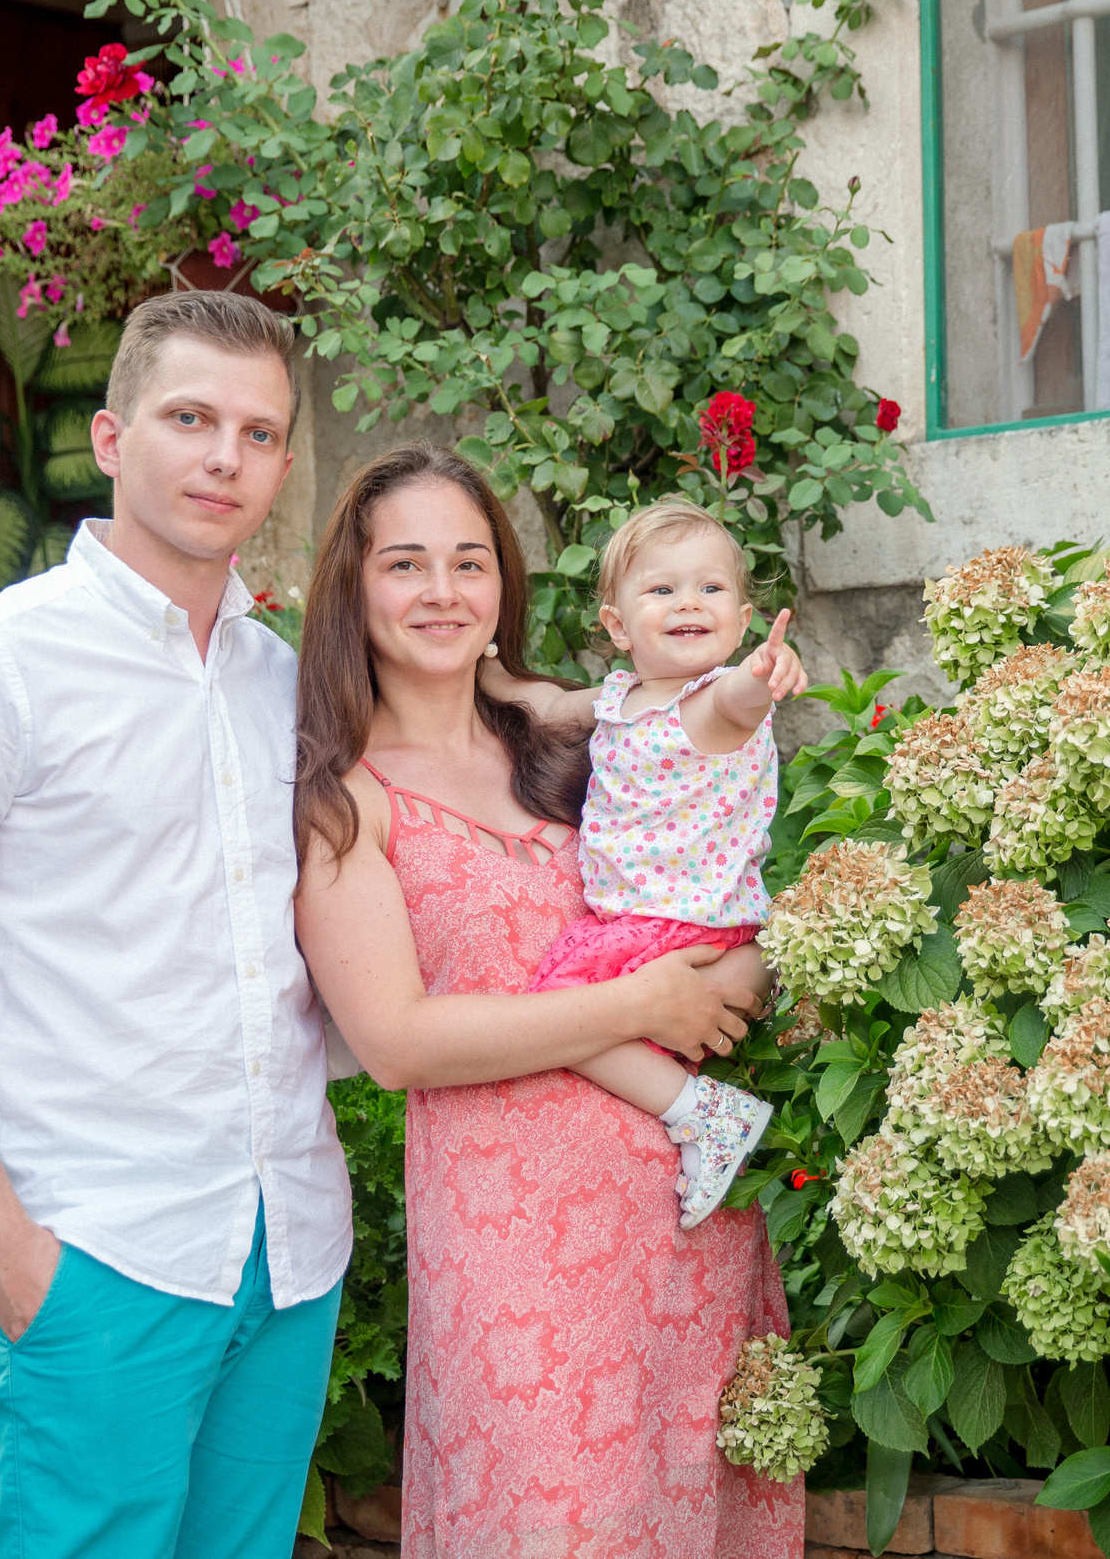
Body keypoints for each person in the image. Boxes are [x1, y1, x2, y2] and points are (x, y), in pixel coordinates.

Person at [0, 291, 349, 1559]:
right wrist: (10, 1254)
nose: (224, 456)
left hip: (287, 1252)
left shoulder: (288, 683)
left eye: (259, 431)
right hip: (98, 1256)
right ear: (114, 439)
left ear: (284, 464)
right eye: (190, 418)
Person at [294, 445, 803, 1558]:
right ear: (354, 585)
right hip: (516, 1254)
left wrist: (737, 976)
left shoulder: (574, 730)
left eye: (469, 563)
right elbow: (395, 1042)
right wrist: (640, 1006)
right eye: (406, 564)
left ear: (503, 586)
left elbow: (715, 867)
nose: (442, 592)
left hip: (684, 1210)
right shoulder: (344, 798)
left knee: (693, 1512)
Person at [478, 497, 806, 1227]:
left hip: (684, 924)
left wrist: (766, 670)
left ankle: (703, 1113)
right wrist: (492, 680)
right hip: (643, 924)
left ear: (744, 615)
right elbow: (550, 707)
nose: (689, 601)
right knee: (578, 1016)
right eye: (662, 589)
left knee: (554, 1009)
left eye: (710, 589)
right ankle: (687, 1108)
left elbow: (744, 696)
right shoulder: (622, 698)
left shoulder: (713, 702)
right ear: (618, 625)